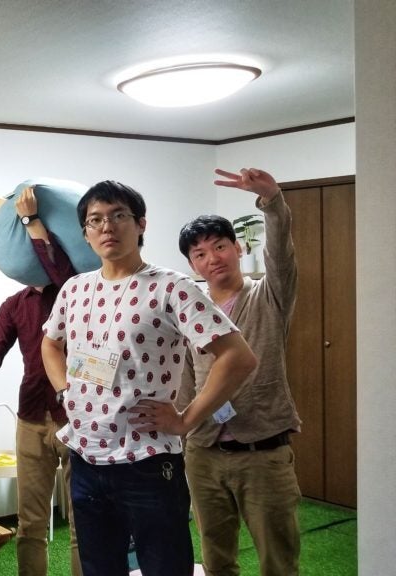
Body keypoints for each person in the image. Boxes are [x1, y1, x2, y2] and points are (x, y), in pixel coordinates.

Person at [40, 180, 258, 576]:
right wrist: (63, 391)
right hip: (86, 457)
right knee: (99, 568)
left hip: (147, 461)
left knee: (164, 567)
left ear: (140, 224)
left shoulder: (171, 287)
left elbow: (238, 356)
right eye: (95, 220)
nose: (107, 227)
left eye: (118, 215)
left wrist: (187, 420)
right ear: (85, 233)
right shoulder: (74, 289)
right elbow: (50, 344)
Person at [175, 168, 302, 576]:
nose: (212, 259)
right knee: (216, 559)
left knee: (278, 562)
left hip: (263, 452)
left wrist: (272, 201)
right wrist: (178, 434)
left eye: (219, 246)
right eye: (200, 254)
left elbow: (281, 257)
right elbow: (185, 379)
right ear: (192, 264)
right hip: (204, 453)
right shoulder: (191, 310)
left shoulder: (269, 295)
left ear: (237, 247)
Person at [0, 186, 82, 576]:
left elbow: (58, 268)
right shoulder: (14, 305)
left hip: (78, 415)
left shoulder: (75, 289)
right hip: (31, 417)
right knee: (30, 523)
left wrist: (31, 220)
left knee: (83, 521)